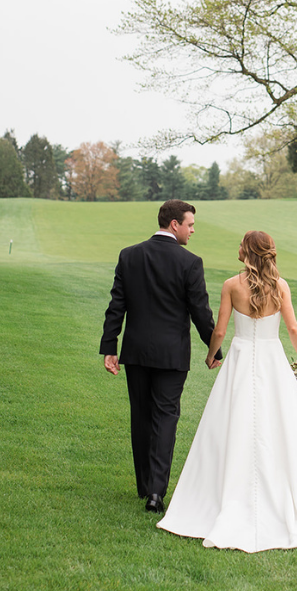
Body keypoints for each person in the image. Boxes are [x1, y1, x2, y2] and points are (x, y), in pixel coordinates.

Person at [157, 230, 297, 553]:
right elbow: (294, 328)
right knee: (280, 426)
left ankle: (224, 495)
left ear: (249, 252)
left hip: (240, 360)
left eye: (241, 244)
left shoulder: (230, 285)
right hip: (272, 362)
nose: (237, 248)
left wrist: (212, 355)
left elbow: (221, 329)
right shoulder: (280, 286)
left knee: (231, 425)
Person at [101, 199, 221, 514]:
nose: (193, 230)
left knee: (140, 416)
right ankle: (156, 493)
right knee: (165, 417)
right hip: (171, 355)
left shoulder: (129, 255)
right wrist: (214, 349)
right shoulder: (190, 262)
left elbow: (117, 306)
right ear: (174, 224)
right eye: (190, 224)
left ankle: (145, 486)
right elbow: (201, 312)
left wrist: (109, 347)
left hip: (136, 352)